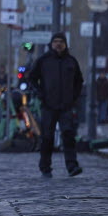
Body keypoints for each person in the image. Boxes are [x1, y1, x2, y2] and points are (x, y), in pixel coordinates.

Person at [25, 33, 85, 177]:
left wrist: (74, 97)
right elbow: (32, 79)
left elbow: (79, 81)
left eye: (61, 42)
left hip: (66, 106)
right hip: (48, 105)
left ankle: (72, 166)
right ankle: (45, 167)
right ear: (51, 44)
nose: (58, 44)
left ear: (65, 44)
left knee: (68, 135)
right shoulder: (43, 60)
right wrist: (40, 94)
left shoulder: (71, 61)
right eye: (56, 41)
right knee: (47, 137)